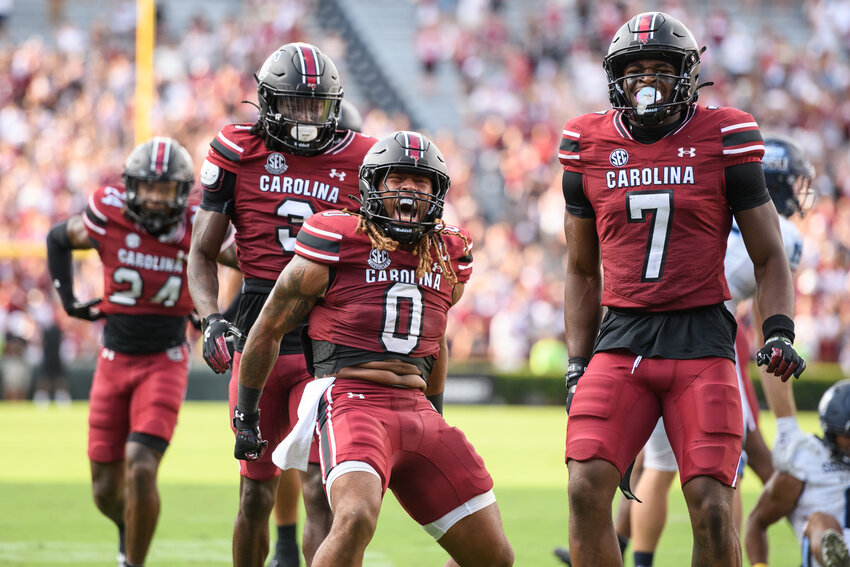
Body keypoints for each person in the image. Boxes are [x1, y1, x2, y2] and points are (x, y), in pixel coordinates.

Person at [558, 11, 806, 567]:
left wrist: (780, 330)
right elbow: (580, 267)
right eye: (637, 69)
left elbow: (767, 254)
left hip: (701, 339)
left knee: (714, 507)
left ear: (688, 75)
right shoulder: (586, 142)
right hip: (621, 337)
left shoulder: (726, 134)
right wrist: (577, 363)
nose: (649, 81)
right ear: (616, 77)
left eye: (663, 69)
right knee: (582, 487)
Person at [231, 131, 514, 567]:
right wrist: (247, 414)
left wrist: (435, 412)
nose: (409, 190)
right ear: (371, 186)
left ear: (438, 194)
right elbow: (267, 326)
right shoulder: (337, 237)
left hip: (416, 409)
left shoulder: (447, 254)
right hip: (349, 399)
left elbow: (434, 343)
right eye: (397, 178)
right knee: (356, 515)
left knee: (493, 557)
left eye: (422, 182)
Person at [187, 42, 377, 567]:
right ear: (268, 102)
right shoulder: (238, 149)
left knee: (321, 486)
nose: (305, 118)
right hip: (258, 331)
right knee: (255, 492)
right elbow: (203, 250)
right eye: (293, 104)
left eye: (316, 106)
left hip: (328, 336)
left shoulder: (362, 156)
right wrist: (209, 320)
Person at [626, 135, 815, 566]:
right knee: (725, 473)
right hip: (704, 348)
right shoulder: (783, 232)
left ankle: (637, 561)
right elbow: (774, 330)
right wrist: (786, 422)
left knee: (653, 468)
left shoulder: (703, 203)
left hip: (642, 337)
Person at [45, 137, 228, 567]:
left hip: (164, 360)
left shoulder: (195, 227)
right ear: (130, 187)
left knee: (141, 464)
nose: (156, 199)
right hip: (111, 360)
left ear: (183, 192)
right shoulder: (108, 215)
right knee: (105, 491)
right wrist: (67, 298)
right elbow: (57, 238)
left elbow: (249, 265)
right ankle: (130, 529)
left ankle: (132, 561)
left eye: (166, 190)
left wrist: (217, 315)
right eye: (148, 187)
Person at [745, 379, 850, 567]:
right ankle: (837, 561)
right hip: (822, 556)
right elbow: (757, 521)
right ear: (832, 431)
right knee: (819, 520)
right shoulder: (806, 463)